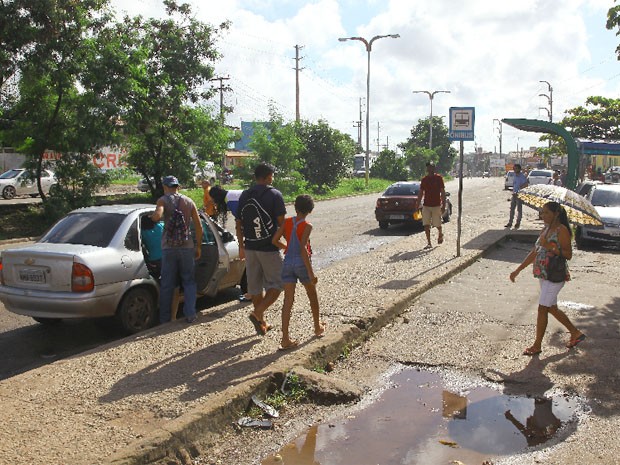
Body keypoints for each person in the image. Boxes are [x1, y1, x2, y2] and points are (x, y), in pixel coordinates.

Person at [509, 201, 586, 356]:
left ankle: (537, 345)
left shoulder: (562, 230)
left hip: (555, 276)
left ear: (556, 214)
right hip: (544, 275)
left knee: (542, 308)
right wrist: (518, 270)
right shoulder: (545, 229)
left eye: (546, 213)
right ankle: (575, 333)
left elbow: (568, 255)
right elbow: (535, 252)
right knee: (551, 307)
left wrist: (550, 246)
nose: (542, 215)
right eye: (542, 212)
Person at [236, 163, 286, 335]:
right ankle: (257, 313)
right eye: (272, 176)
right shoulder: (274, 194)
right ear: (268, 177)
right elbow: (282, 223)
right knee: (278, 283)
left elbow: (238, 223)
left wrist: (241, 247)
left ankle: (262, 323)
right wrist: (288, 243)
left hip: (250, 248)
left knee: (255, 288)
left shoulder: (244, 195)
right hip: (268, 248)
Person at [272, 194, 325, 350]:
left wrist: (286, 248)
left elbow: (275, 240)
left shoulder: (287, 222)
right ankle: (317, 326)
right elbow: (303, 248)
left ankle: (285, 338)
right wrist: (311, 273)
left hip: (287, 263)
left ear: (295, 207)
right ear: (310, 210)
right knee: (312, 295)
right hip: (301, 264)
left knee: (288, 301)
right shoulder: (307, 226)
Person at [151, 175, 203, 323]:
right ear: (177, 186)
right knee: (189, 281)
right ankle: (190, 314)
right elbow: (199, 227)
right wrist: (198, 246)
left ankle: (165, 319)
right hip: (187, 247)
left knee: (168, 284)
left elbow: (158, 215)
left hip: (169, 248)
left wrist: (154, 217)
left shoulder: (163, 200)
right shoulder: (189, 201)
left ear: (165, 187)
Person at [210, 185, 251, 302]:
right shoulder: (232, 195)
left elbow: (240, 220)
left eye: (213, 199)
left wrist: (242, 240)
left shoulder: (231, 200)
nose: (214, 202)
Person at [417, 161, 446, 249]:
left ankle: (440, 233)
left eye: (431, 167)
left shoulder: (439, 178)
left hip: (436, 205)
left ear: (434, 168)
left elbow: (443, 192)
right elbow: (421, 193)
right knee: (426, 224)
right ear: (427, 169)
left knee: (437, 224)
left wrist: (443, 205)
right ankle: (429, 243)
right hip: (426, 205)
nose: (430, 169)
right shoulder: (424, 180)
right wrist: (417, 204)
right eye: (428, 167)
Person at [505, 164, 528, 229]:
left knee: (519, 210)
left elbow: (526, 184)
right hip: (514, 194)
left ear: (519, 169)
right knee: (512, 209)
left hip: (519, 195)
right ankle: (510, 223)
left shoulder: (522, 176)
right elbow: (514, 185)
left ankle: (518, 223)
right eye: (514, 168)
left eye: (515, 168)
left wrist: (519, 189)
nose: (514, 170)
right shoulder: (515, 176)